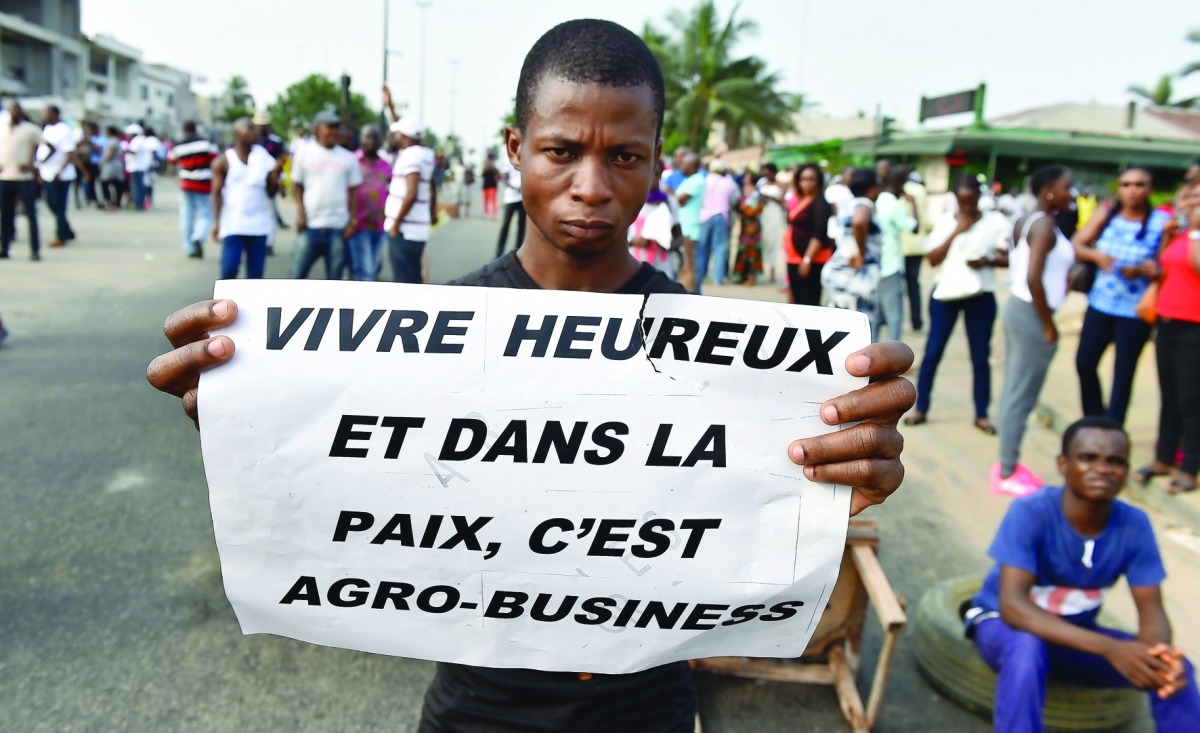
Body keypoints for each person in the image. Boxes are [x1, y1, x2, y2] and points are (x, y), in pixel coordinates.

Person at [145, 20, 916, 733]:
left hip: (645, 703)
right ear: (515, 148)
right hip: (478, 708)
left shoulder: (726, 357)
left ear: (655, 157)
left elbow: (756, 521)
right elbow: (354, 490)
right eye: (561, 151)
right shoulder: (423, 342)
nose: (592, 185)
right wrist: (255, 417)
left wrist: (840, 481)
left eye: (624, 155)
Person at [965, 416, 1200, 733]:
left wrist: (1159, 657)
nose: (1103, 469)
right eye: (1089, 458)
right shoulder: (1031, 512)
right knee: (1027, 647)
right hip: (1002, 627)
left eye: (1115, 461)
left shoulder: (1135, 524)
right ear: (1063, 464)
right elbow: (1013, 608)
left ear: (1126, 471)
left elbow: (1152, 610)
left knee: (1175, 669)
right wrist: (1110, 648)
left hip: (1074, 639)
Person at [992, 166, 1077, 496]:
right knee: (1021, 395)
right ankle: (1007, 470)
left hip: (1019, 307)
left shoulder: (1026, 219)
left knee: (1014, 388)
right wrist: (1048, 323)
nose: (1072, 192)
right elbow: (1033, 276)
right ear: (1049, 191)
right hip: (1031, 313)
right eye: (1067, 187)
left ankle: (1006, 461)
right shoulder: (1043, 224)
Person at [905, 174, 1011, 432]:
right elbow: (932, 259)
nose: (967, 207)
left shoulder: (995, 221)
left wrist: (986, 261)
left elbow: (1007, 258)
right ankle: (921, 408)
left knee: (980, 357)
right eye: (962, 202)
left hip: (980, 296)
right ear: (955, 199)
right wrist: (957, 230)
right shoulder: (944, 222)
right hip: (946, 296)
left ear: (978, 197)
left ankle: (982, 413)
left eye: (971, 201)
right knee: (932, 353)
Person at [1070, 167, 1170, 426]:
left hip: (1134, 311)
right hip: (1100, 303)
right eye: (1126, 184)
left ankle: (1113, 428)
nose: (1132, 190)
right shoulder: (1107, 213)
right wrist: (1096, 256)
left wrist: (1145, 270)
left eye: (1139, 184)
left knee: (1123, 374)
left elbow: (1165, 264)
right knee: (1085, 363)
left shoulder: (1161, 222)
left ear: (1150, 188)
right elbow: (1077, 243)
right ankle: (1093, 421)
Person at [1135, 179, 1200, 494]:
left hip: (1194, 326)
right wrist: (1167, 237)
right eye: (1190, 198)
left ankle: (1190, 468)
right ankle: (1163, 458)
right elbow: (1165, 268)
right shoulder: (1183, 233)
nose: (1191, 202)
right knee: (1169, 393)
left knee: (1191, 398)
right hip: (1168, 321)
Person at [288, 111, 362, 280]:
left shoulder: (348, 158)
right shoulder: (304, 153)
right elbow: (297, 185)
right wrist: (300, 214)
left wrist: (352, 221)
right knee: (295, 277)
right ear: (317, 129)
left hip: (338, 228)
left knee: (334, 282)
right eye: (329, 127)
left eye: (336, 127)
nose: (334, 132)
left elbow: (355, 191)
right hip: (310, 226)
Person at [210, 117, 282, 280]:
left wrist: (274, 177)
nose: (254, 132)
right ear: (237, 133)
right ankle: (225, 305)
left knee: (255, 276)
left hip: (258, 225)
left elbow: (271, 193)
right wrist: (217, 222)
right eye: (249, 128)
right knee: (229, 271)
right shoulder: (224, 161)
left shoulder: (263, 158)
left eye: (254, 128)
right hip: (234, 224)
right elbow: (216, 193)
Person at [821, 168, 883, 339]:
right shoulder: (865, 204)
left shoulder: (848, 205)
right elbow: (859, 222)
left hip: (839, 271)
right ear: (872, 188)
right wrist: (861, 253)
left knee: (840, 330)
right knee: (861, 331)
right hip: (857, 276)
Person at [384, 115, 436, 284]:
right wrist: (432, 211)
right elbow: (431, 185)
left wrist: (395, 226)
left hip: (405, 231)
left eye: (397, 134)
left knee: (404, 283)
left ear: (404, 137)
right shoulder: (426, 154)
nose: (394, 137)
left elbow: (411, 193)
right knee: (413, 279)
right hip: (416, 229)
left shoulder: (410, 157)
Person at [874, 168, 918, 342]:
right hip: (890, 265)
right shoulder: (894, 205)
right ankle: (892, 362)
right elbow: (914, 227)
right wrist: (912, 204)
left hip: (875, 265)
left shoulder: (878, 200)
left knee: (875, 316)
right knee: (894, 317)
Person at [0, 101, 46, 260]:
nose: (14, 113)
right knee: (5, 215)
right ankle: (4, 247)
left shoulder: (30, 129)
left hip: (24, 178)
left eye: (16, 110)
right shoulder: (3, 127)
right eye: (11, 110)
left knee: (30, 214)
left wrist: (34, 164)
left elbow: (47, 147)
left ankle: (35, 250)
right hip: (5, 177)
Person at [168, 121, 218, 259]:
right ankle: (199, 236)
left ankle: (189, 248)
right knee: (205, 214)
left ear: (184, 130)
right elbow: (215, 158)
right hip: (204, 183)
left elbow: (171, 159)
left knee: (186, 216)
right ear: (195, 129)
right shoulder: (205, 143)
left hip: (186, 183)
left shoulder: (179, 145)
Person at [785, 164, 833, 306]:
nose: (807, 182)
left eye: (812, 179)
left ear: (818, 180)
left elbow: (819, 233)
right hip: (794, 258)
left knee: (809, 303)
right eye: (803, 179)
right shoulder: (801, 199)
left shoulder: (820, 203)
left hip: (810, 260)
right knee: (797, 300)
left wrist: (807, 260)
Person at [350, 124, 392, 281]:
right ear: (360, 139)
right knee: (366, 271)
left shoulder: (386, 165)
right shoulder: (352, 161)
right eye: (368, 136)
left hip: (380, 225)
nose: (371, 141)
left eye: (375, 137)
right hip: (358, 224)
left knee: (373, 267)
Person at [38, 105, 85, 247]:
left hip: (60, 175)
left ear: (55, 115)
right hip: (47, 172)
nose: (44, 116)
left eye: (47, 113)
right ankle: (66, 230)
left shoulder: (63, 130)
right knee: (51, 203)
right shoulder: (47, 129)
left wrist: (59, 170)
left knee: (59, 205)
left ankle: (61, 235)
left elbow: (69, 153)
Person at [694, 162, 738, 292]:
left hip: (704, 216)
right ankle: (717, 278)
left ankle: (700, 275)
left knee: (701, 248)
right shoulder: (729, 183)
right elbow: (734, 200)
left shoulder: (704, 180)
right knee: (719, 248)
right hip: (720, 215)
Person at [901, 171, 930, 331]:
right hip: (917, 244)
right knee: (914, 285)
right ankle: (916, 321)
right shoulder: (922, 191)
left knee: (897, 288)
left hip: (900, 246)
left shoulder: (899, 191)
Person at [672, 152, 705, 293]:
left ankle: (690, 296)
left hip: (689, 228)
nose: (680, 165)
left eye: (684, 163)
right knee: (684, 265)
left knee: (688, 265)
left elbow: (678, 199)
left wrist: (673, 197)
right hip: (684, 227)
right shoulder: (689, 180)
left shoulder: (698, 180)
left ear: (691, 166)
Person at [756, 162, 786, 284]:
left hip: (775, 215)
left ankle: (772, 271)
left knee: (773, 241)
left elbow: (781, 201)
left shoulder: (781, 184)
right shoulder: (762, 184)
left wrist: (768, 196)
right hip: (763, 214)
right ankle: (759, 269)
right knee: (762, 240)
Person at [732, 173, 763, 284]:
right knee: (743, 250)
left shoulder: (755, 193)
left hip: (752, 226)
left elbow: (754, 209)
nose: (745, 178)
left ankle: (751, 276)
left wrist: (743, 208)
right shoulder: (744, 191)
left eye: (747, 177)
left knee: (752, 250)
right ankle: (741, 275)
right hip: (745, 225)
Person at [495, 157, 525, 257]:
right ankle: (499, 253)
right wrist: (514, 187)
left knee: (522, 225)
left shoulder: (525, 158)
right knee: (506, 224)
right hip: (511, 197)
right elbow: (504, 178)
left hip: (522, 197)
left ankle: (518, 254)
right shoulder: (507, 160)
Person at [97, 126, 125, 210]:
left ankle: (109, 201)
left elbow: (111, 152)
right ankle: (115, 202)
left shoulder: (113, 141)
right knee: (116, 184)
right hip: (113, 164)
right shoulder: (113, 140)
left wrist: (103, 161)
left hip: (111, 165)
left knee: (106, 183)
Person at [125, 123, 151, 210]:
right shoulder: (141, 140)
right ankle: (139, 203)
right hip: (138, 167)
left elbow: (133, 151)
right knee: (138, 186)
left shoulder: (137, 140)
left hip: (137, 167)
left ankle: (138, 204)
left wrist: (125, 149)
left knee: (137, 187)